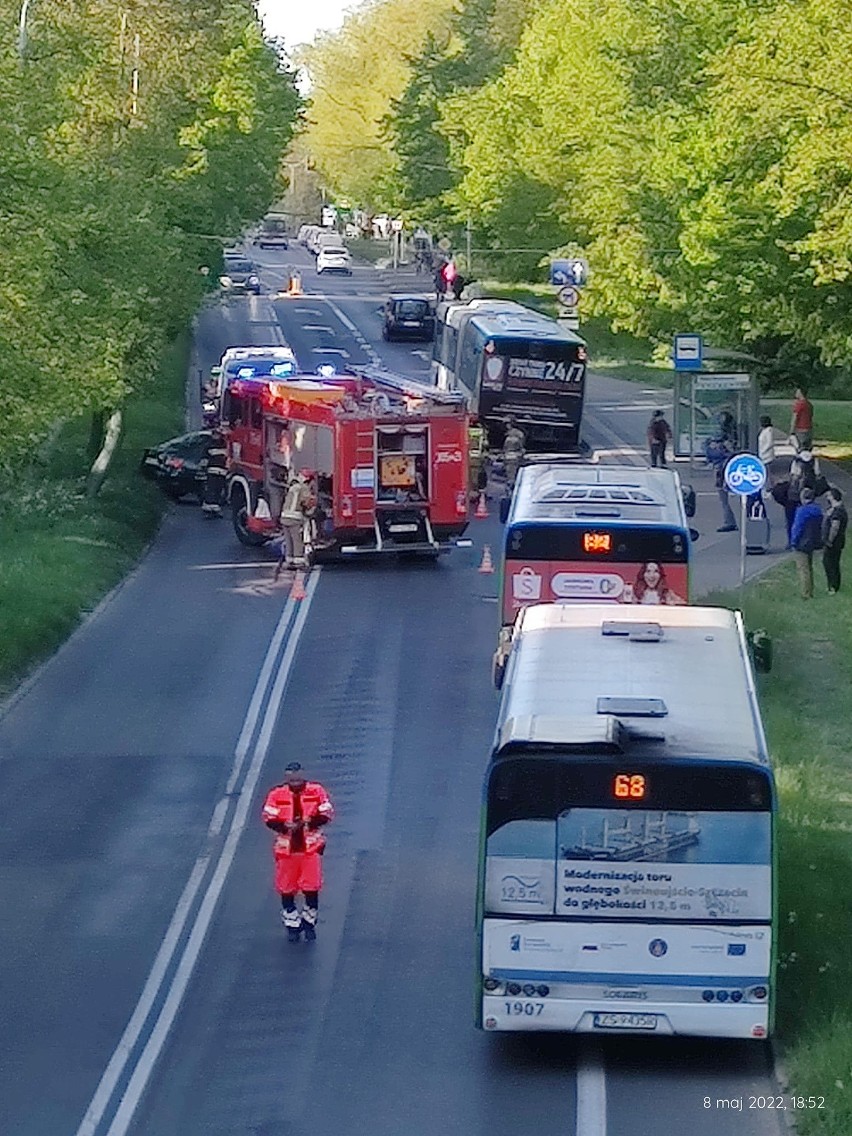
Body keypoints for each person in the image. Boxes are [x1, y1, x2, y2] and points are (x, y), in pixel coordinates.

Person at [262, 763, 334, 942]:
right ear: (286, 778)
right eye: (291, 779)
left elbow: (326, 813)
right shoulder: (276, 795)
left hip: (310, 850)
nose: (295, 782)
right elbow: (268, 817)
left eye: (297, 778)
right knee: (286, 890)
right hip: (286, 852)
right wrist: (284, 827)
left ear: (303, 776)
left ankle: (309, 924)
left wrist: (308, 823)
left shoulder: (316, 791)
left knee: (312, 888)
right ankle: (292, 926)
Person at [790, 487, 824, 599]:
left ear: (803, 497)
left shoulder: (802, 511)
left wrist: (793, 541)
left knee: (803, 569)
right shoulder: (818, 510)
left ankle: (806, 594)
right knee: (809, 567)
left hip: (801, 543)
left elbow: (797, 527)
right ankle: (810, 590)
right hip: (813, 541)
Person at [277, 468, 313, 570]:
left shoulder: (293, 487)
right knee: (297, 540)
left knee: (288, 540)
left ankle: (289, 560)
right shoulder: (304, 488)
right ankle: (299, 561)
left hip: (284, 516)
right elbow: (306, 503)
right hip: (294, 518)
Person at [705, 432, 736, 532]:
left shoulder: (714, 450)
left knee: (724, 500)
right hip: (723, 473)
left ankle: (729, 522)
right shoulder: (723, 451)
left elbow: (710, 457)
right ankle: (730, 521)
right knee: (724, 499)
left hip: (720, 474)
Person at [821, 486, 848, 594]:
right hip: (838, 541)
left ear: (833, 497)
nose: (827, 498)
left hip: (834, 543)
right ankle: (833, 585)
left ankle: (833, 586)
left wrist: (829, 540)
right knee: (833, 563)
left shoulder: (837, 512)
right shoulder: (838, 509)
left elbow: (835, 527)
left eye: (829, 496)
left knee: (830, 563)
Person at [201, 428, 227, 516]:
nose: (216, 436)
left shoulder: (225, 445)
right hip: (212, 471)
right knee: (211, 490)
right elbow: (204, 460)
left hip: (222, 472)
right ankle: (209, 508)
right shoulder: (208, 446)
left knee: (218, 491)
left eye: (217, 434)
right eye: (214, 434)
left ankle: (215, 508)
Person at [502, 419, 526, 490]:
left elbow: (520, 446)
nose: (506, 426)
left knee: (511, 473)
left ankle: (511, 485)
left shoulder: (513, 436)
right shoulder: (516, 434)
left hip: (512, 457)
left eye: (507, 424)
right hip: (512, 456)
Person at [790, 387, 814, 452]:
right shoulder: (809, 404)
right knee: (808, 448)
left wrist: (792, 431)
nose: (796, 393)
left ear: (801, 393)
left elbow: (795, 417)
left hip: (800, 429)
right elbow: (811, 416)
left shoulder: (799, 404)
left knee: (800, 448)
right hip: (809, 429)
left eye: (797, 392)